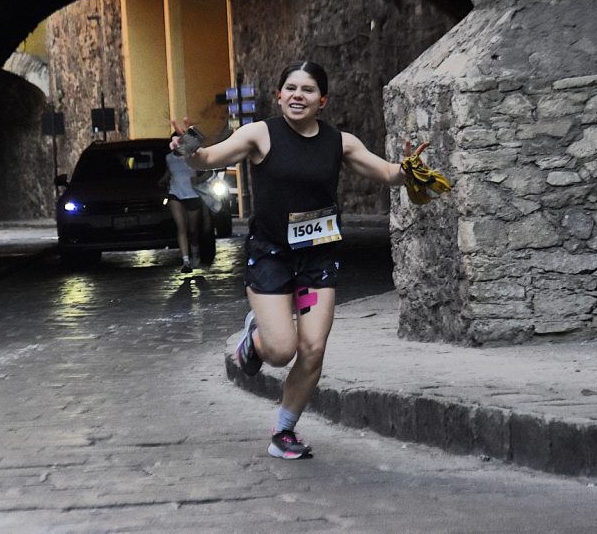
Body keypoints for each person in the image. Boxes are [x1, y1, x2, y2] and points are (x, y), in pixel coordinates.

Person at [170, 60, 449, 459]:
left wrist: (408, 170)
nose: (298, 95)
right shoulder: (260, 134)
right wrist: (190, 150)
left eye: (308, 90)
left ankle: (284, 431)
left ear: (323, 100)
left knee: (313, 348)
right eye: (291, 88)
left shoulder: (340, 143)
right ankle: (256, 340)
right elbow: (209, 158)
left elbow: (388, 174)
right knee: (281, 351)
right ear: (279, 95)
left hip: (318, 258)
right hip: (271, 256)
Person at [159, 141, 210, 273]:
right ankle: (185, 261)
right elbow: (169, 173)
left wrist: (198, 180)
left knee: (193, 230)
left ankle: (195, 255)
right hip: (175, 195)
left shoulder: (192, 156)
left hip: (192, 195)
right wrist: (162, 181)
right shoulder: (169, 158)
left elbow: (207, 171)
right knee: (181, 227)